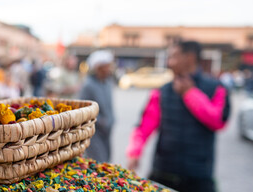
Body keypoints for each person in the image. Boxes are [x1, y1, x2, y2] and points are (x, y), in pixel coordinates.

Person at [126, 41, 230, 192]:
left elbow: (218, 121)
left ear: (189, 58)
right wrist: (134, 152)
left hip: (198, 176)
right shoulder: (162, 90)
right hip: (163, 172)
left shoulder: (216, 88)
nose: (169, 62)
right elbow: (145, 124)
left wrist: (190, 94)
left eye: (173, 57)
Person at [79, 50, 115, 162]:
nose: (109, 69)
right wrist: (100, 121)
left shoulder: (108, 83)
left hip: (107, 130)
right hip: (95, 132)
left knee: (107, 159)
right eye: (106, 67)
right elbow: (83, 109)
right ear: (98, 68)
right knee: (98, 161)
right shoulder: (88, 85)